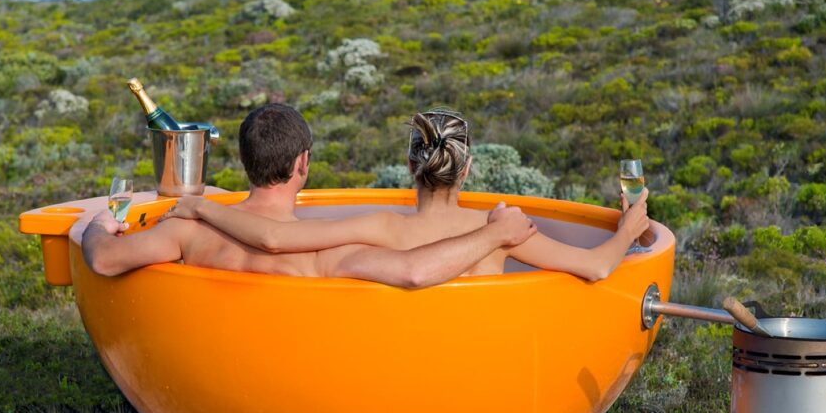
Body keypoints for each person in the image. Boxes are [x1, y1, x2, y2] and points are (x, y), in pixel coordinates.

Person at [169, 107, 651, 281]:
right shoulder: (503, 231)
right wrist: (630, 227)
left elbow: (275, 236)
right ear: (467, 169)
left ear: (409, 167)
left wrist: (203, 204)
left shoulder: (380, 227)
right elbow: (597, 266)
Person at [82, 103, 537, 287]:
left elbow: (103, 260)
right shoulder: (325, 252)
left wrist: (96, 227)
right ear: (303, 163)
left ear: (244, 161)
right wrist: (494, 234)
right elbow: (415, 271)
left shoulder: (185, 232)